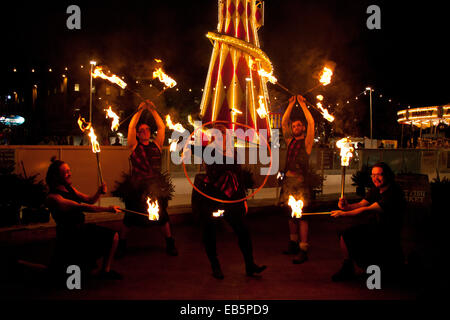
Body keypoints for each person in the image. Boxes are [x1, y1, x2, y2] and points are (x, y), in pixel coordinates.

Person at [192, 124, 266, 279]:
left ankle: (250, 264)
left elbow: (237, 176)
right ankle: (215, 266)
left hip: (232, 198)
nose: (221, 138)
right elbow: (192, 148)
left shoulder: (234, 152)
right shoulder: (209, 152)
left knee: (243, 231)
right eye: (217, 135)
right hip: (214, 199)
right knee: (209, 232)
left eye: (223, 135)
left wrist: (243, 199)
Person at [45, 157, 122, 280]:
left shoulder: (70, 189)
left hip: (81, 228)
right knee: (69, 276)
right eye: (66, 172)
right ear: (56, 176)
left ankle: (106, 271)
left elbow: (90, 200)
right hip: (70, 235)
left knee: (114, 237)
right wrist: (108, 209)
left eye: (69, 170)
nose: (70, 174)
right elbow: (82, 207)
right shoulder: (54, 197)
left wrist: (99, 192)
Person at [118, 100, 178, 256]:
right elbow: (131, 127)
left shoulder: (156, 145)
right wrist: (139, 111)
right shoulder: (134, 146)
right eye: (141, 130)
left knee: (162, 216)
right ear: (138, 134)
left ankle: (170, 243)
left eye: (147, 129)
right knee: (130, 216)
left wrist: (152, 109)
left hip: (155, 186)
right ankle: (121, 245)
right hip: (138, 186)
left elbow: (162, 127)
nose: (144, 131)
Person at [330, 162, 405, 282]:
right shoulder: (375, 190)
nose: (376, 178)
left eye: (379, 174)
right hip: (376, 226)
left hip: (388, 230)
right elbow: (360, 205)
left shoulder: (393, 192)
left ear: (387, 175)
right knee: (345, 234)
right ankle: (348, 267)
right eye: (373, 175)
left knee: (351, 235)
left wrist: (343, 214)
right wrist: (346, 206)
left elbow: (366, 209)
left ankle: (374, 271)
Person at [280, 94, 315, 264]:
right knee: (290, 215)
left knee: (303, 216)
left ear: (303, 128)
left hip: (301, 184)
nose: (296, 127)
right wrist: (291, 103)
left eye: (299, 125)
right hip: (288, 182)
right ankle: (293, 243)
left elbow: (312, 123)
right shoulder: (289, 140)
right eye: (294, 125)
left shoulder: (307, 142)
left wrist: (302, 104)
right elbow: (284, 122)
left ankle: (303, 248)